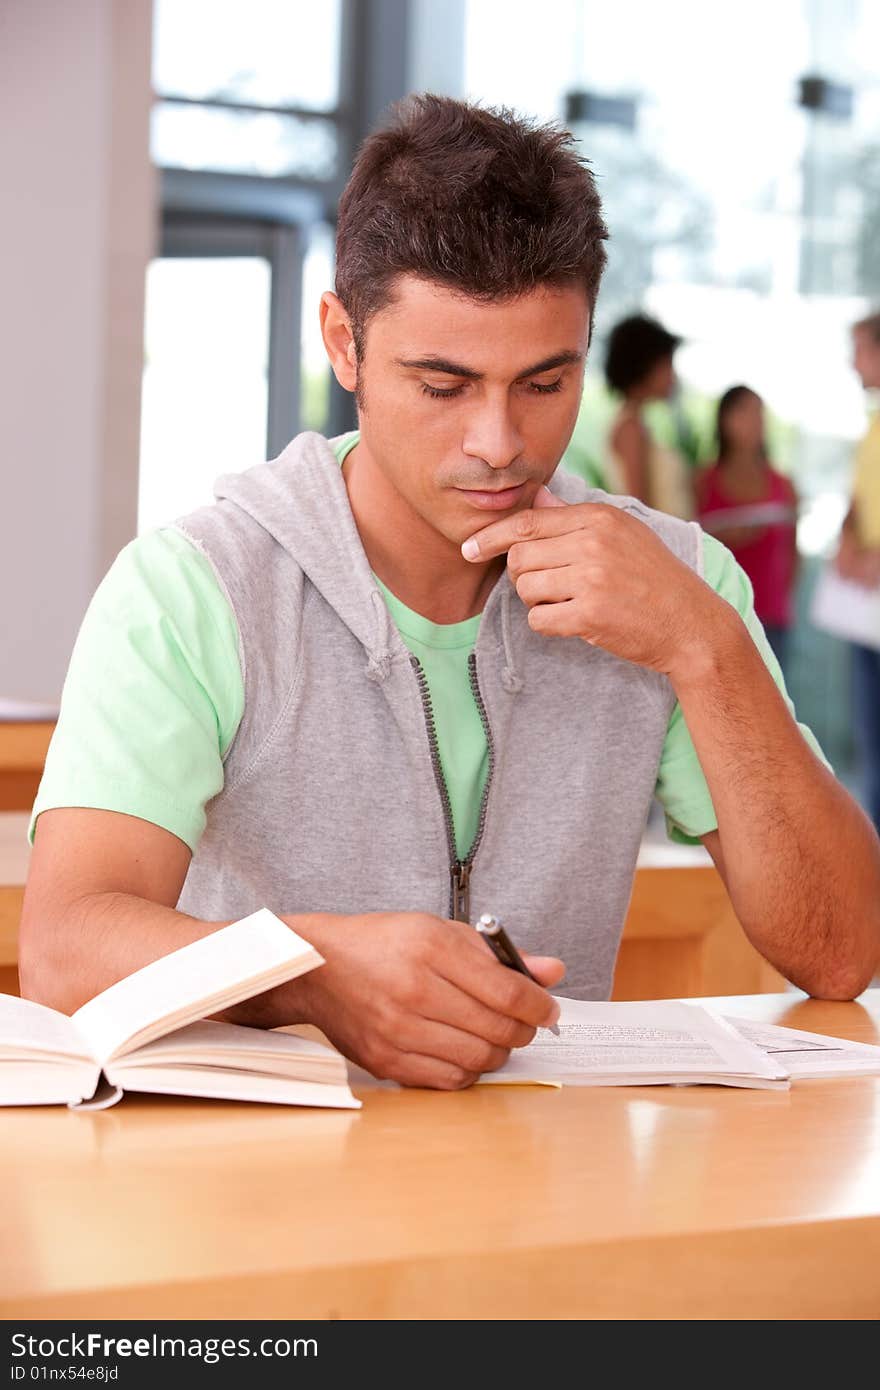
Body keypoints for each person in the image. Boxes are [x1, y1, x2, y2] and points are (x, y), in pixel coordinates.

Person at [21, 96, 880, 1092]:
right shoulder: (193, 588)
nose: (498, 443)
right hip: (249, 1191)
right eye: (442, 385)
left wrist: (706, 645)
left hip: (550, 1189)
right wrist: (313, 973)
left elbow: (840, 952)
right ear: (342, 343)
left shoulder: (675, 585)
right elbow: (67, 944)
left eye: (544, 383)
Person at [695, 386, 798, 672]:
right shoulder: (702, 482)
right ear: (724, 419)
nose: (754, 421)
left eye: (759, 413)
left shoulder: (784, 485)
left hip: (772, 616)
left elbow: (794, 554)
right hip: (717, 614)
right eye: (744, 411)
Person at [835, 310, 880, 833]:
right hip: (865, 606)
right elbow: (861, 495)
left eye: (861, 348)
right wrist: (848, 536)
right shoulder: (872, 423)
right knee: (871, 733)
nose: (853, 363)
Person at [603, 313, 694, 519]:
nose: (672, 376)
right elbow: (640, 511)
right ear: (645, 367)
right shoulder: (630, 429)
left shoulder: (634, 423)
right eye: (667, 365)